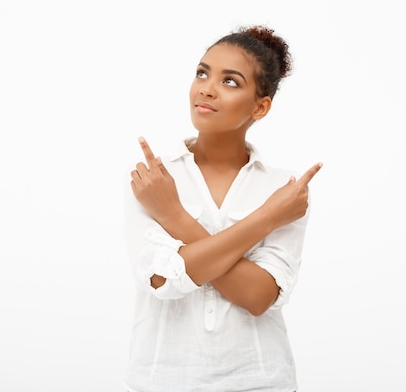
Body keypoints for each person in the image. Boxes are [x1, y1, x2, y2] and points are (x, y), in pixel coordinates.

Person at [123, 25, 323, 392]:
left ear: (260, 107)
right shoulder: (153, 180)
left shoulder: (285, 192)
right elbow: (161, 280)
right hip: (163, 381)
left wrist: (175, 219)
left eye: (230, 81)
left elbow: (259, 296)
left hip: (260, 382)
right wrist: (267, 218)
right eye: (202, 72)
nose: (207, 88)